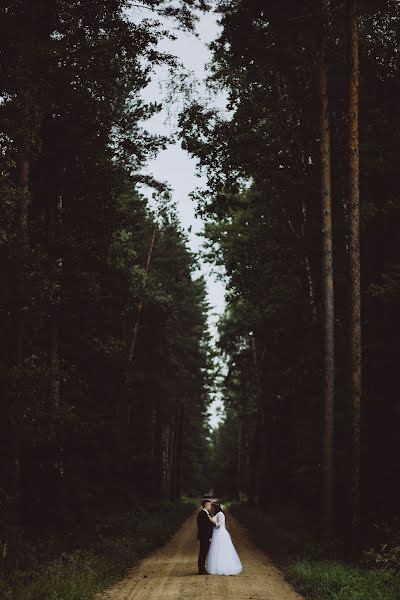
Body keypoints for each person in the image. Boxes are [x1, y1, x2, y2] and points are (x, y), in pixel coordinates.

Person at [206, 502, 242, 575]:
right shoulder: (217, 514)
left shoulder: (220, 514)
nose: (211, 509)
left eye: (212, 507)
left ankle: (224, 567)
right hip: (216, 534)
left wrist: (210, 519)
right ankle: (217, 567)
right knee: (217, 550)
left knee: (221, 550)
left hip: (220, 534)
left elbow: (218, 525)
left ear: (215, 508)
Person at [197, 499, 216, 574]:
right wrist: (209, 537)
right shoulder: (202, 514)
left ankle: (202, 569)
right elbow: (205, 528)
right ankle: (201, 570)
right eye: (210, 505)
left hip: (204, 537)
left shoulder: (204, 514)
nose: (211, 507)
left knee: (203, 552)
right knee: (203, 553)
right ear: (206, 505)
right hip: (204, 537)